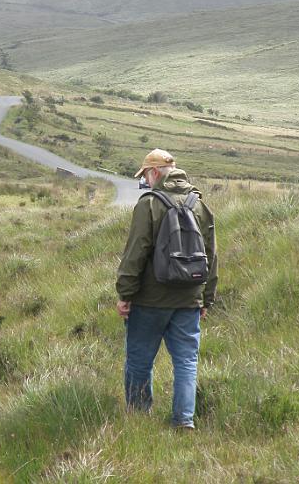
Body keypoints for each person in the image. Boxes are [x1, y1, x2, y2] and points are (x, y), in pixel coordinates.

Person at [116, 148, 218, 429]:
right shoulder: (199, 204)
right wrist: (206, 299)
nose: (146, 182)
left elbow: (135, 253)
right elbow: (212, 255)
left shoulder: (148, 204)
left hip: (149, 299)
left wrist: (125, 294)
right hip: (189, 300)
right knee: (186, 362)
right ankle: (184, 421)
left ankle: (138, 418)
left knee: (139, 362)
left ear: (154, 172)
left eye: (146, 175)